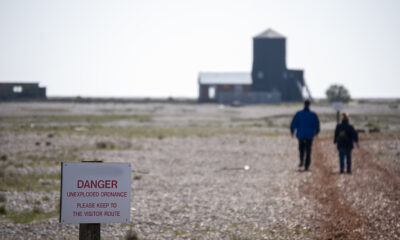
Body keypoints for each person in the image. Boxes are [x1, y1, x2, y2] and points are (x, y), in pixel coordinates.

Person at [290, 99, 320, 171]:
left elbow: (294, 123)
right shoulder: (313, 115)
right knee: (308, 150)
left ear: (304, 104)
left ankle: (301, 160)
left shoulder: (299, 114)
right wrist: (317, 132)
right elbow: (317, 124)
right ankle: (307, 166)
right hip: (309, 135)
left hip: (300, 134)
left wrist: (292, 131)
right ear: (309, 105)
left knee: (301, 149)